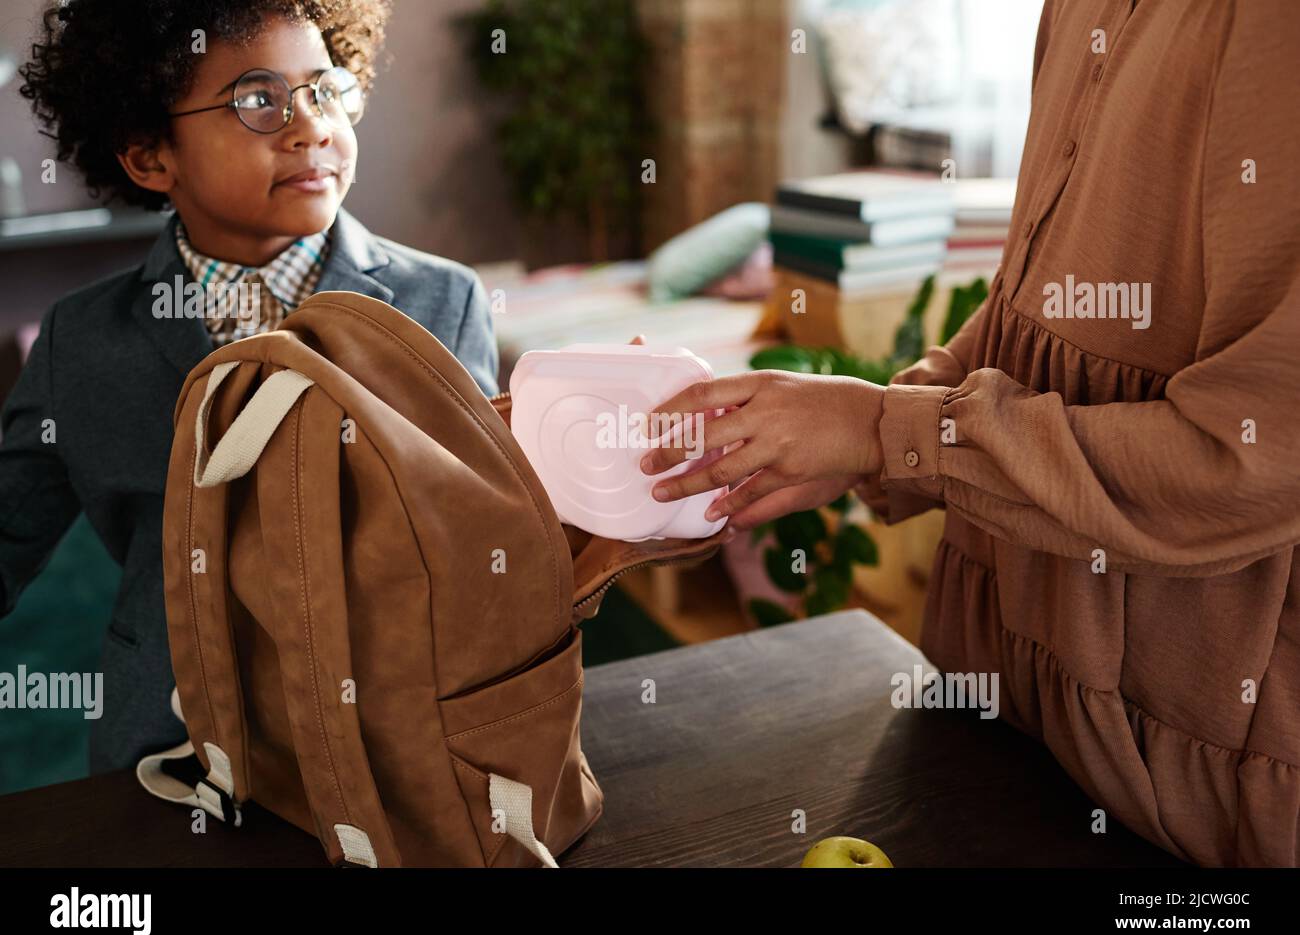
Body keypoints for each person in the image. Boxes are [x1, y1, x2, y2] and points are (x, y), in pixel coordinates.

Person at [641, 0, 1299, 867]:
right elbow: (1028, 294)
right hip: (996, 701)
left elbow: (1247, 460)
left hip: (1186, 798)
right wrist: (872, 430)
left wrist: (889, 431)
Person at [2, 0, 497, 774]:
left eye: (324, 89)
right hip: (169, 751)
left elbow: (485, 534)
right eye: (259, 101)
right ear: (147, 154)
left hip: (395, 746)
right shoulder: (82, 342)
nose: (311, 128)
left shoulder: (446, 303)